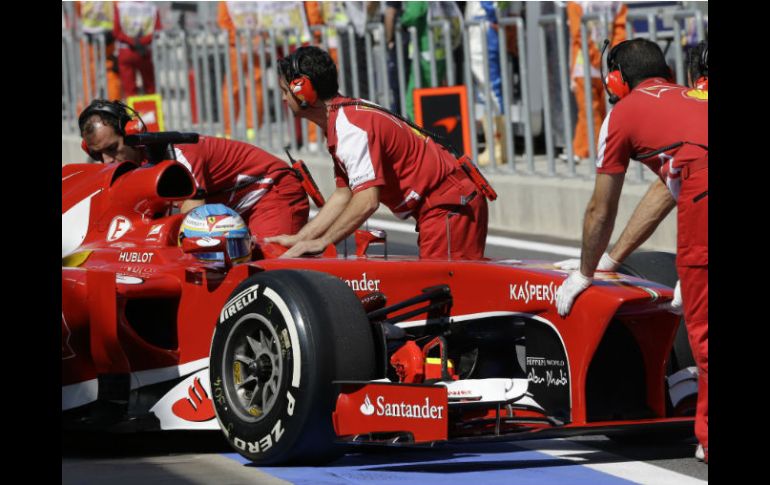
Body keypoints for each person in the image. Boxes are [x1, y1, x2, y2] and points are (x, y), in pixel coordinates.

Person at [553, 39, 707, 463]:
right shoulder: (696, 97)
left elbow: (600, 208)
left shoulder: (621, 115)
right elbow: (668, 187)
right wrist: (612, 260)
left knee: (705, 337)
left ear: (615, 80)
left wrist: (585, 273)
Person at [266, 46, 489, 260]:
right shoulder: (344, 117)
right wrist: (300, 238)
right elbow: (344, 195)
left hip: (449, 205)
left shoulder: (350, 129)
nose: (284, 99)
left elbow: (366, 201)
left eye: (286, 91)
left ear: (303, 91)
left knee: (449, 292)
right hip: (447, 203)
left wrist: (322, 242)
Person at [78, 99, 310, 241]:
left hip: (273, 192)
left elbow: (196, 221)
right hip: (234, 205)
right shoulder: (130, 164)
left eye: (112, 148)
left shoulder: (177, 154)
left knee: (262, 271)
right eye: (98, 154)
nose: (107, 161)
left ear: (131, 134)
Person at [565, 1, 627, 164]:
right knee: (589, 110)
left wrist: (612, 55)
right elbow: (578, 32)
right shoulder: (577, 3)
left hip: (604, 63)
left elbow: (620, 28)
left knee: (601, 109)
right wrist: (600, 58)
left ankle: (590, 150)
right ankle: (591, 149)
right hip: (584, 65)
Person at [113, 1, 161, 96]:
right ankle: (151, 110)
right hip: (145, 51)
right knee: (150, 87)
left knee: (129, 90)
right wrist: (142, 42)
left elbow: (116, 32)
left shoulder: (120, 6)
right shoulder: (152, 7)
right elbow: (157, 30)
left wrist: (133, 42)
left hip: (126, 50)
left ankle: (131, 110)